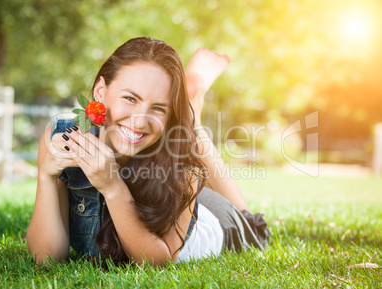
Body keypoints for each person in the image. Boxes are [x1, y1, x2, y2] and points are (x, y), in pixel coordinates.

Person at [26, 37, 268, 267]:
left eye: (158, 108)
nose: (140, 122)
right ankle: (188, 103)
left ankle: (191, 109)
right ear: (101, 91)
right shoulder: (63, 139)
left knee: (253, 225)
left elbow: (159, 262)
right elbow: (46, 257)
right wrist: (46, 177)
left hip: (208, 222)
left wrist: (112, 187)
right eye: (130, 98)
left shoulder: (183, 167)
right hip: (163, 194)